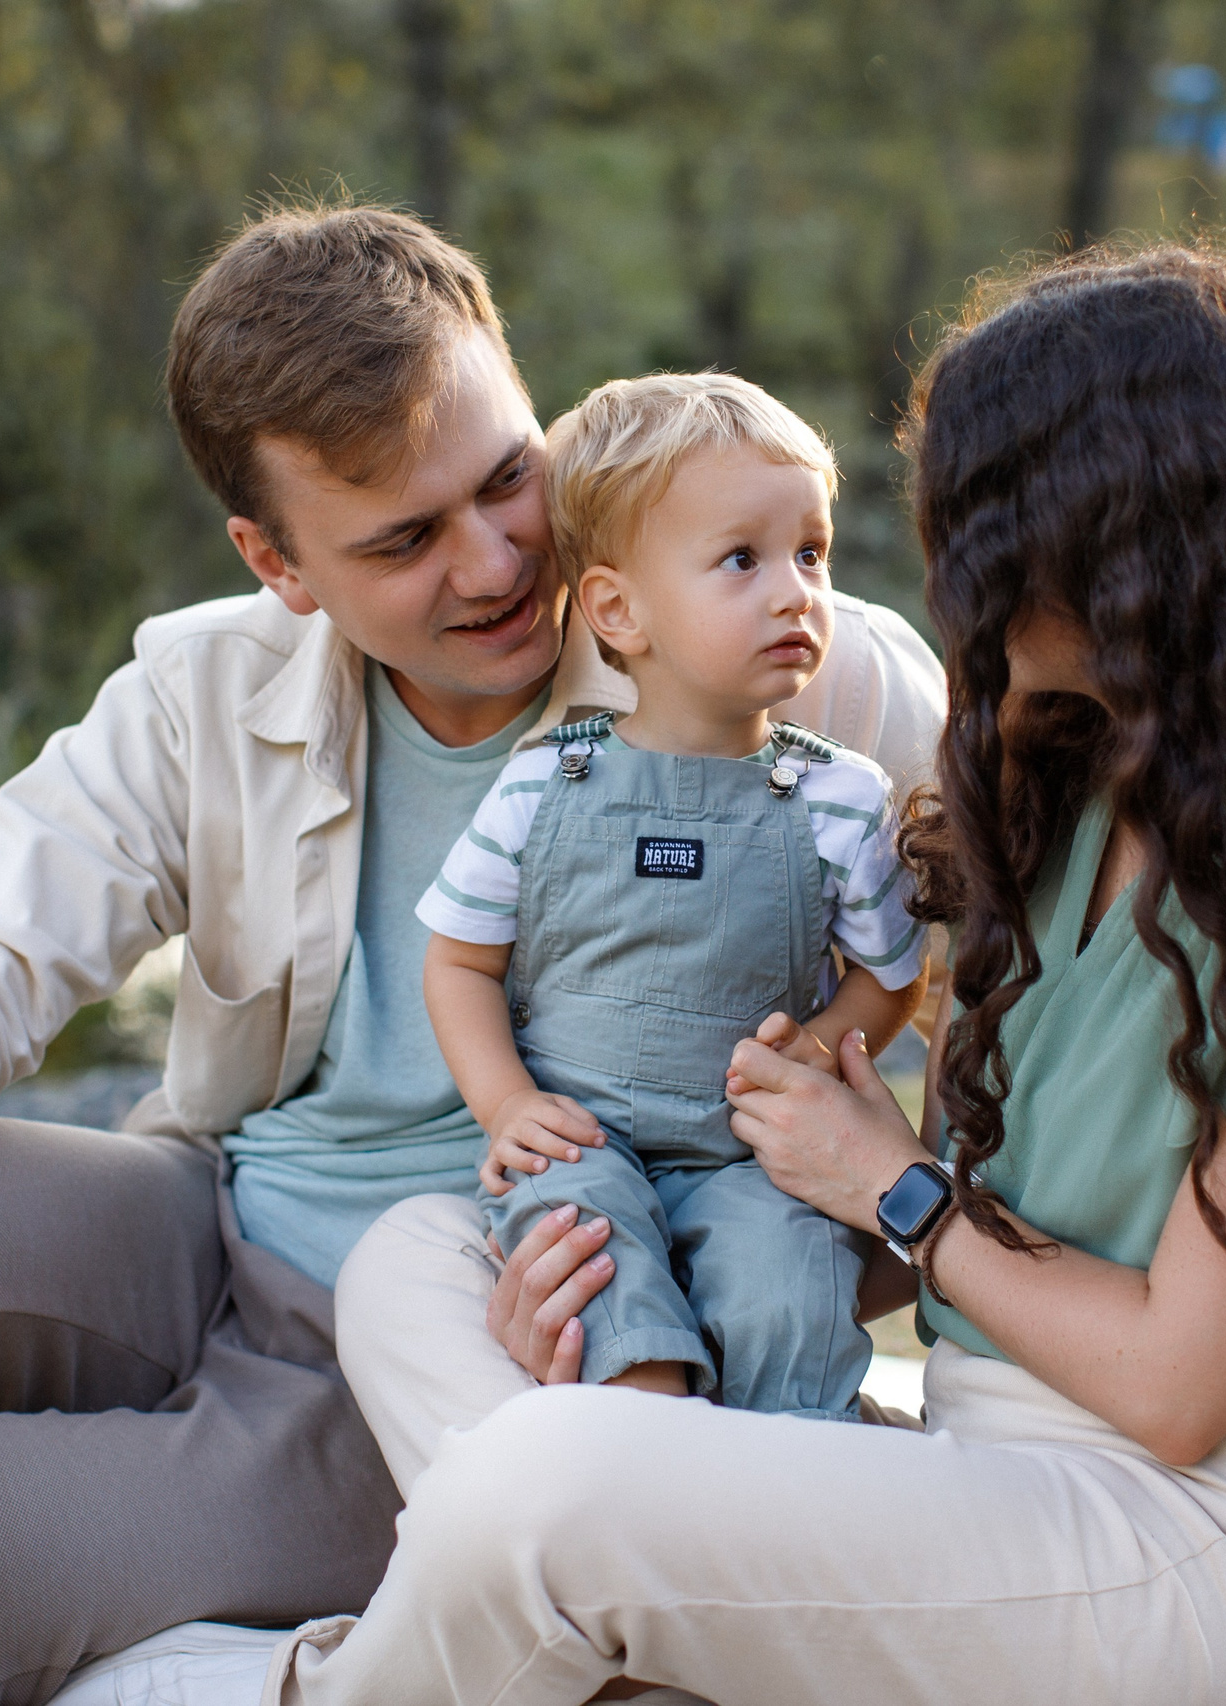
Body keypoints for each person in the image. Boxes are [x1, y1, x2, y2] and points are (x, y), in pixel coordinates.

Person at [0, 202, 946, 1706]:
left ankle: (320, 1659)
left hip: (444, 1353)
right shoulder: (203, 689)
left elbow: (1018, 995)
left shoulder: (801, 671)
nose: (497, 561)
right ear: (276, 561)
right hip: (207, 1223)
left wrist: (853, 1247)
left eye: (507, 477)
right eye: (405, 538)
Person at [277, 242, 1226, 1706]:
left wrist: (892, 1184)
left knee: (543, 1489)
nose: (943, 566)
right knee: (418, 1257)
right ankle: (646, 1641)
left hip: (1196, 1530)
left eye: (981, 517)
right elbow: (973, 1248)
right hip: (984, 1465)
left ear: (1119, 539)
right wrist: (631, 1264)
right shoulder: (1055, 790)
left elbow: (1176, 1389)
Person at [419, 373, 926, 1412]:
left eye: (811, 552)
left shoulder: (838, 800)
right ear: (618, 608)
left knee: (788, 1295)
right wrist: (507, 1103)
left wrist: (821, 1041)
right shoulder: (543, 782)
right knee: (596, 1288)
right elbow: (458, 959)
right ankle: (648, 1444)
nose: (795, 592)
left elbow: (891, 977)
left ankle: (796, 1474)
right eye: (743, 559)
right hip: (580, 1137)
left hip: (751, 1156)